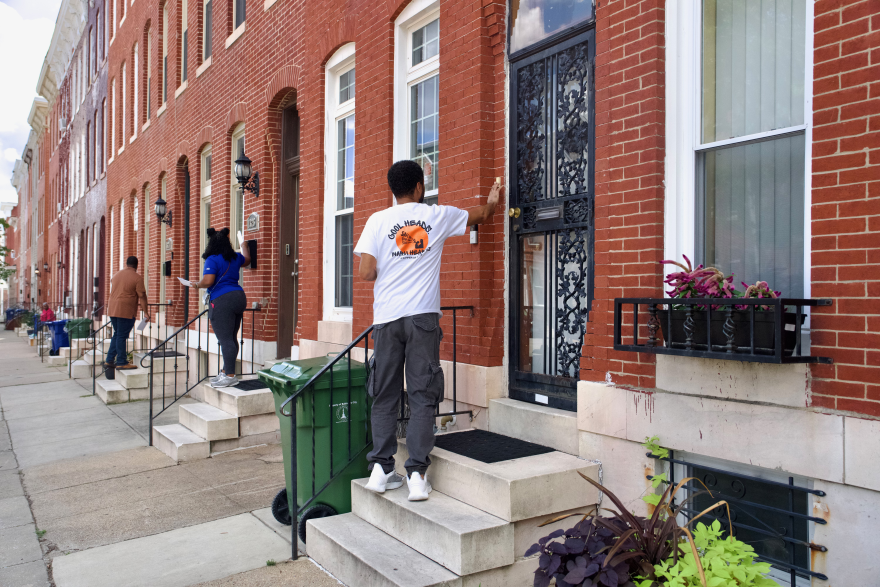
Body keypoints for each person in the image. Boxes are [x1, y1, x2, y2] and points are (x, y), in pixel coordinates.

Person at [355, 160, 502, 501]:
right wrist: (494, 200)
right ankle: (417, 477)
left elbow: (365, 272)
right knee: (422, 394)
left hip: (387, 319)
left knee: (384, 394)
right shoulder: (436, 216)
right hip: (422, 318)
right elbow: (481, 215)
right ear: (419, 187)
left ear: (393, 189)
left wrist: (391, 264)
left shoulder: (377, 220)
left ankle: (380, 470)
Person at [190, 228, 250, 388]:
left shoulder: (212, 259)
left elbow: (208, 281)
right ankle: (226, 371)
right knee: (232, 338)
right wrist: (243, 245)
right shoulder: (235, 257)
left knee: (225, 339)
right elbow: (247, 259)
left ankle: (230, 376)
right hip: (239, 297)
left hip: (222, 299)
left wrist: (196, 284)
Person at [105, 256, 150, 370]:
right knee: (121, 336)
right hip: (125, 310)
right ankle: (121, 361)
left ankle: (109, 360)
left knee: (117, 334)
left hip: (112, 309)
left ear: (126, 263)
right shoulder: (137, 278)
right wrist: (146, 312)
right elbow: (142, 296)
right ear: (136, 265)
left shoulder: (116, 275)